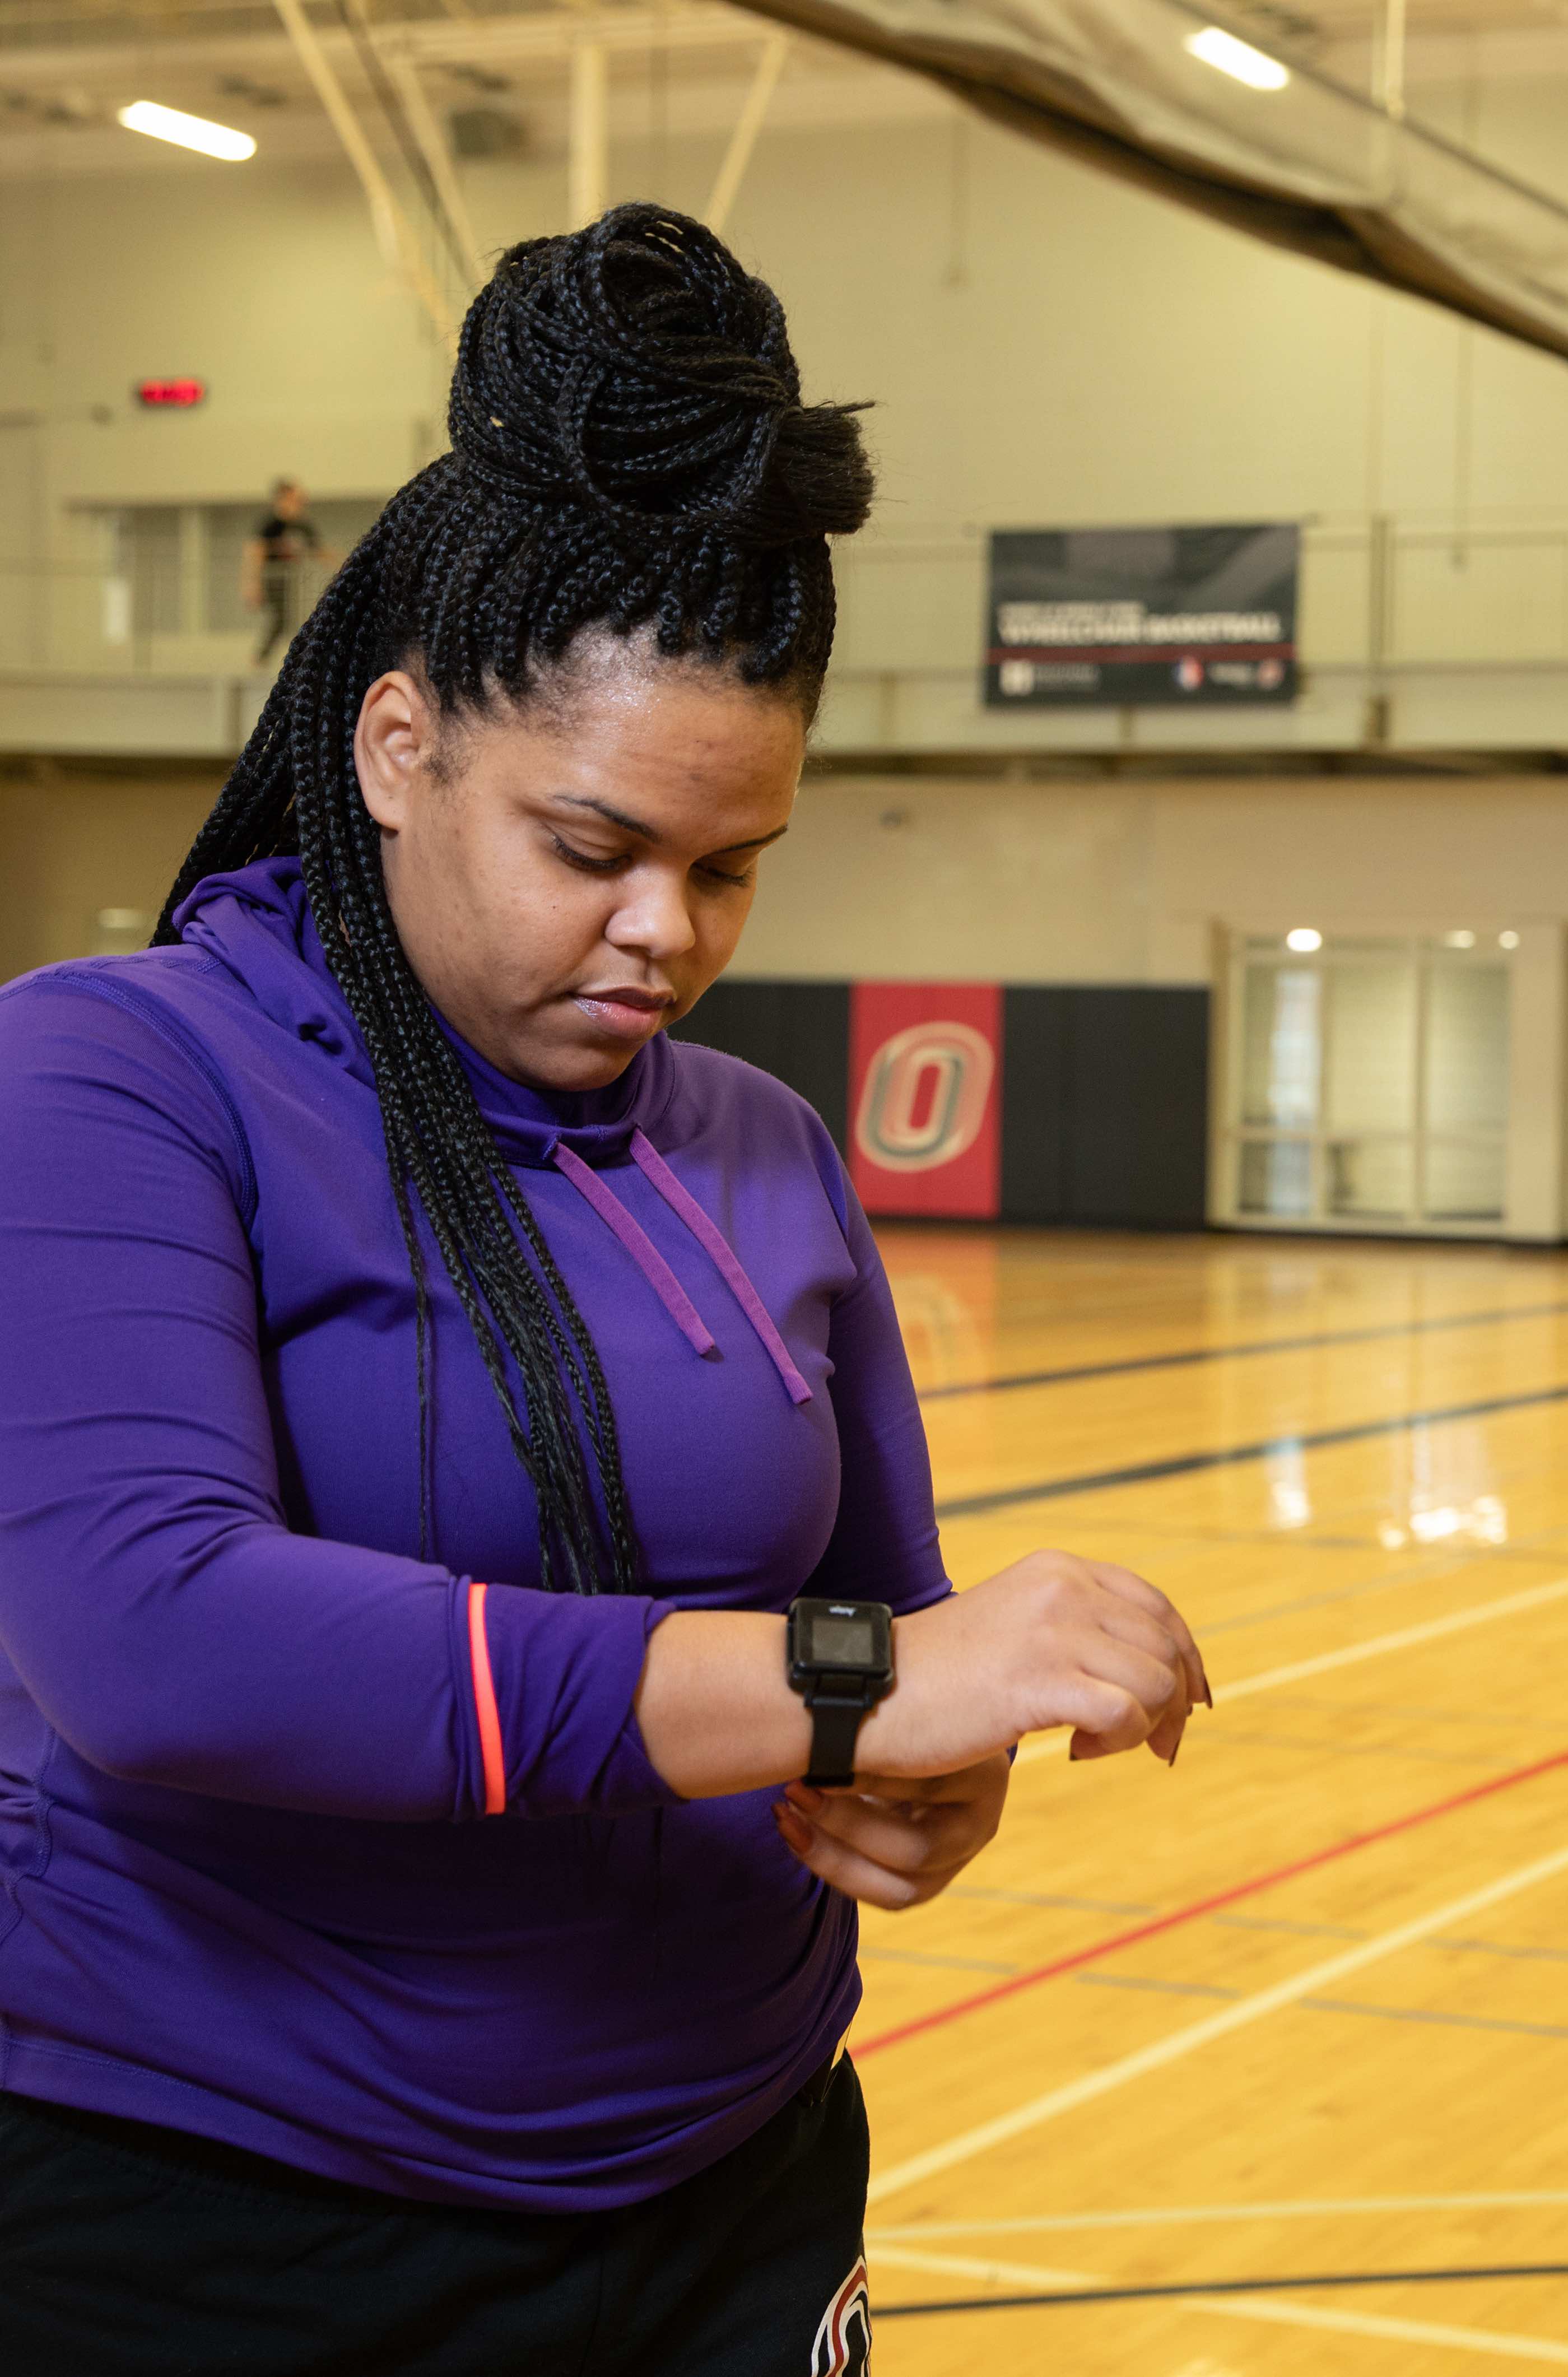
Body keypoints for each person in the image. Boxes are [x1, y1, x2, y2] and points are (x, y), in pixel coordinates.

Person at [0, 206, 1210, 2375]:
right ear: (394, 746)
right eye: (592, 845)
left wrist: (927, 1776)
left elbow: (872, 1632)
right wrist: (852, 1678)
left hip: (733, 2194)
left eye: (731, 861)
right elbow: (153, 1636)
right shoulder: (111, 1068)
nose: (667, 927)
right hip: (226, 2219)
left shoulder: (758, 1144)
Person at [243, 476, 322, 666]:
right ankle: (261, 659)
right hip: (273, 579)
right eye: (295, 500)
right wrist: (253, 584)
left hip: (294, 582)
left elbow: (318, 550)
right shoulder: (270, 524)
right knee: (281, 618)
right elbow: (255, 552)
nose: (299, 505)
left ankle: (295, 659)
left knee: (293, 619)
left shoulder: (301, 524)